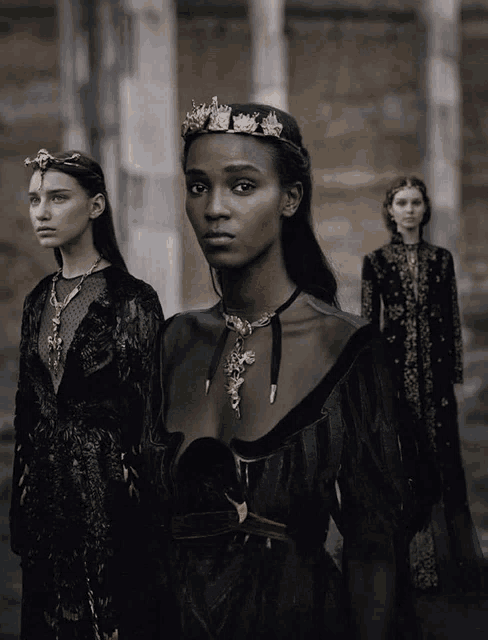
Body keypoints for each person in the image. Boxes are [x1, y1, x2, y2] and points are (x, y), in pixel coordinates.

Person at [141, 98, 416, 639]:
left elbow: (374, 546)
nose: (214, 208)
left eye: (242, 186)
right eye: (198, 186)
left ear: (290, 198)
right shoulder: (172, 339)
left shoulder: (348, 346)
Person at [10, 149, 164, 639]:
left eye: (58, 198)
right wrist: (23, 498)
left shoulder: (132, 300)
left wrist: (143, 509)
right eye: (35, 200)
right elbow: (26, 407)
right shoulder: (38, 298)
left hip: (110, 502)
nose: (42, 212)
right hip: (46, 504)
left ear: (95, 206)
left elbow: (148, 418)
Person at [361, 176, 483, 594]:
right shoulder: (375, 262)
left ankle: (452, 565)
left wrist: (454, 377)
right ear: (390, 211)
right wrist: (372, 383)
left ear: (424, 209)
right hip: (394, 382)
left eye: (415, 202)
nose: (409, 209)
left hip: (435, 384)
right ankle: (408, 566)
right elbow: (367, 326)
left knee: (442, 465)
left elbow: (450, 319)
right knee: (402, 465)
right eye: (401, 202)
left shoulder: (441, 260)